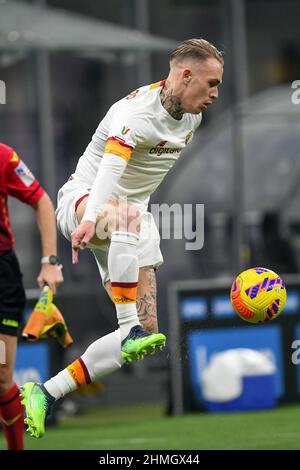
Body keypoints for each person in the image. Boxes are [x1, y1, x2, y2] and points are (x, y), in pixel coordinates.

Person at [21, 38, 224, 439]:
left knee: (148, 333)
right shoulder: (134, 113)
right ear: (185, 76)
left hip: (131, 222)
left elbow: (136, 188)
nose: (216, 93)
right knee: (128, 217)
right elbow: (111, 170)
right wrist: (90, 218)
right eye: (211, 83)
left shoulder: (191, 118)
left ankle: (45, 392)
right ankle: (126, 324)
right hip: (84, 200)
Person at [0, 143, 64, 450]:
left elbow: (42, 202)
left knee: (0, 376)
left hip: (1, 278)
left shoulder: (3, 157)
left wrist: (49, 262)